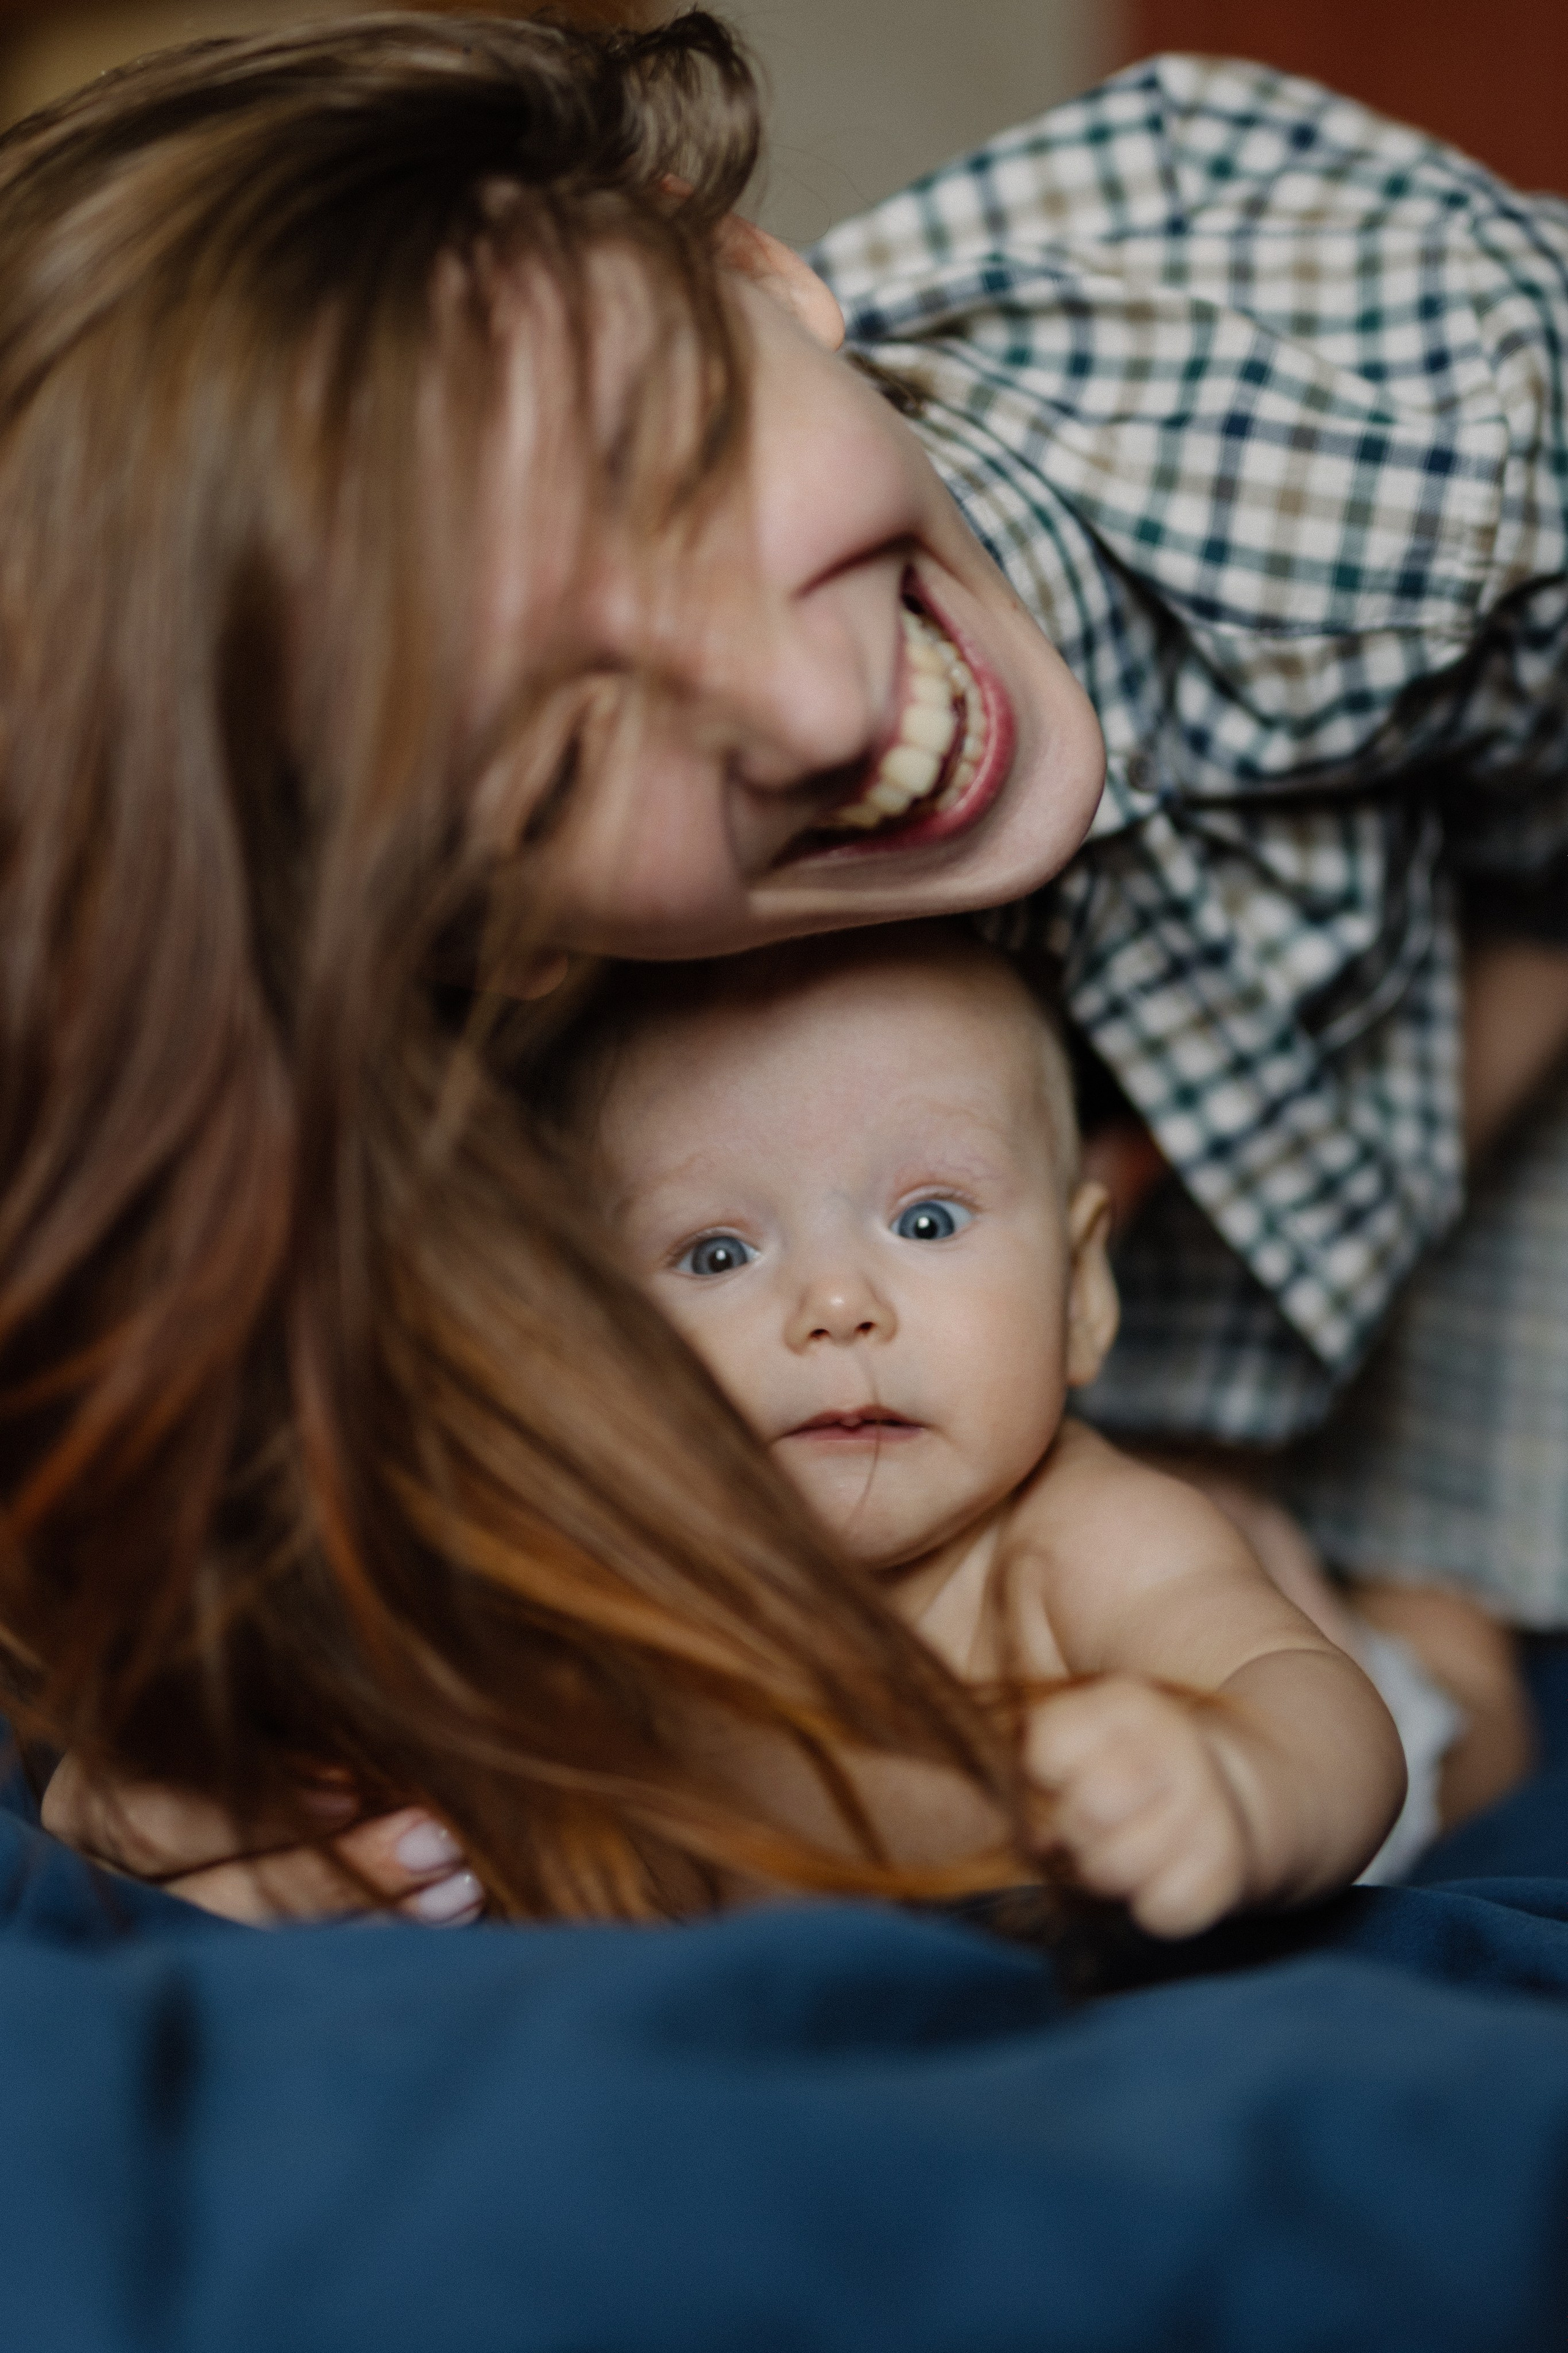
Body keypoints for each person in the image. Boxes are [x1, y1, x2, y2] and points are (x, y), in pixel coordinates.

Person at [6, 9, 1567, 1923]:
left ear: (746, 263)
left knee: (1418, 1658)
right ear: (472, 928)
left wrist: (1283, 1331)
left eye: (675, 462)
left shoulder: (1377, 416)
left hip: (1479, 1017)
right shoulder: (440, 1032)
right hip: (1010, 1258)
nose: (818, 704)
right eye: (563, 745)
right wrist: (180, 1756)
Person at [553, 921, 1405, 1933]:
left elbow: (1319, 1707)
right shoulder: (599, 1578)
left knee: (1423, 1704)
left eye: (928, 1221)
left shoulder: (1084, 1539)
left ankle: (1440, 1639)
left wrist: (1238, 1782)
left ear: (1082, 1288)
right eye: (716, 1254)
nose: (835, 1301)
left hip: (1302, 1723)